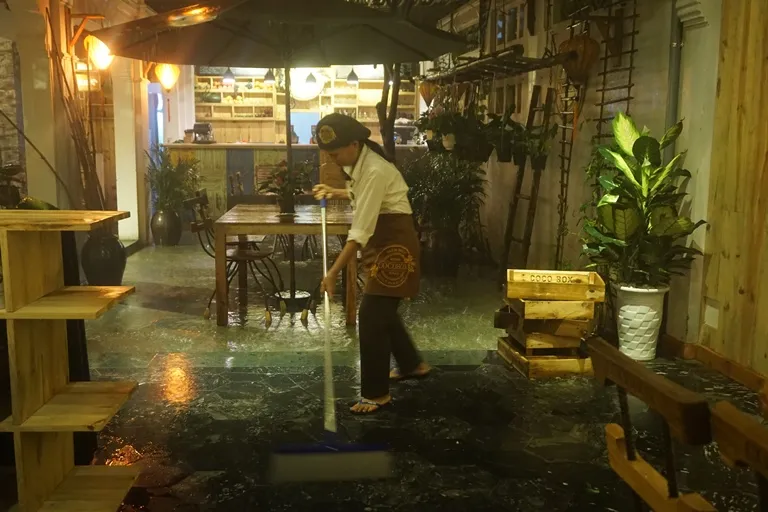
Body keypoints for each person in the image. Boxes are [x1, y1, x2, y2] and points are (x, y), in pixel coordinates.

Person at [313, 113, 430, 415]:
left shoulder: (375, 169)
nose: (334, 160)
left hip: (394, 244)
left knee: (372, 315)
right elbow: (361, 194)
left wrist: (332, 272)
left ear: (354, 144)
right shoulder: (362, 164)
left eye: (336, 154)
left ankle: (377, 394)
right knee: (383, 309)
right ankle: (412, 364)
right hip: (383, 240)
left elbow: (359, 232)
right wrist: (336, 192)